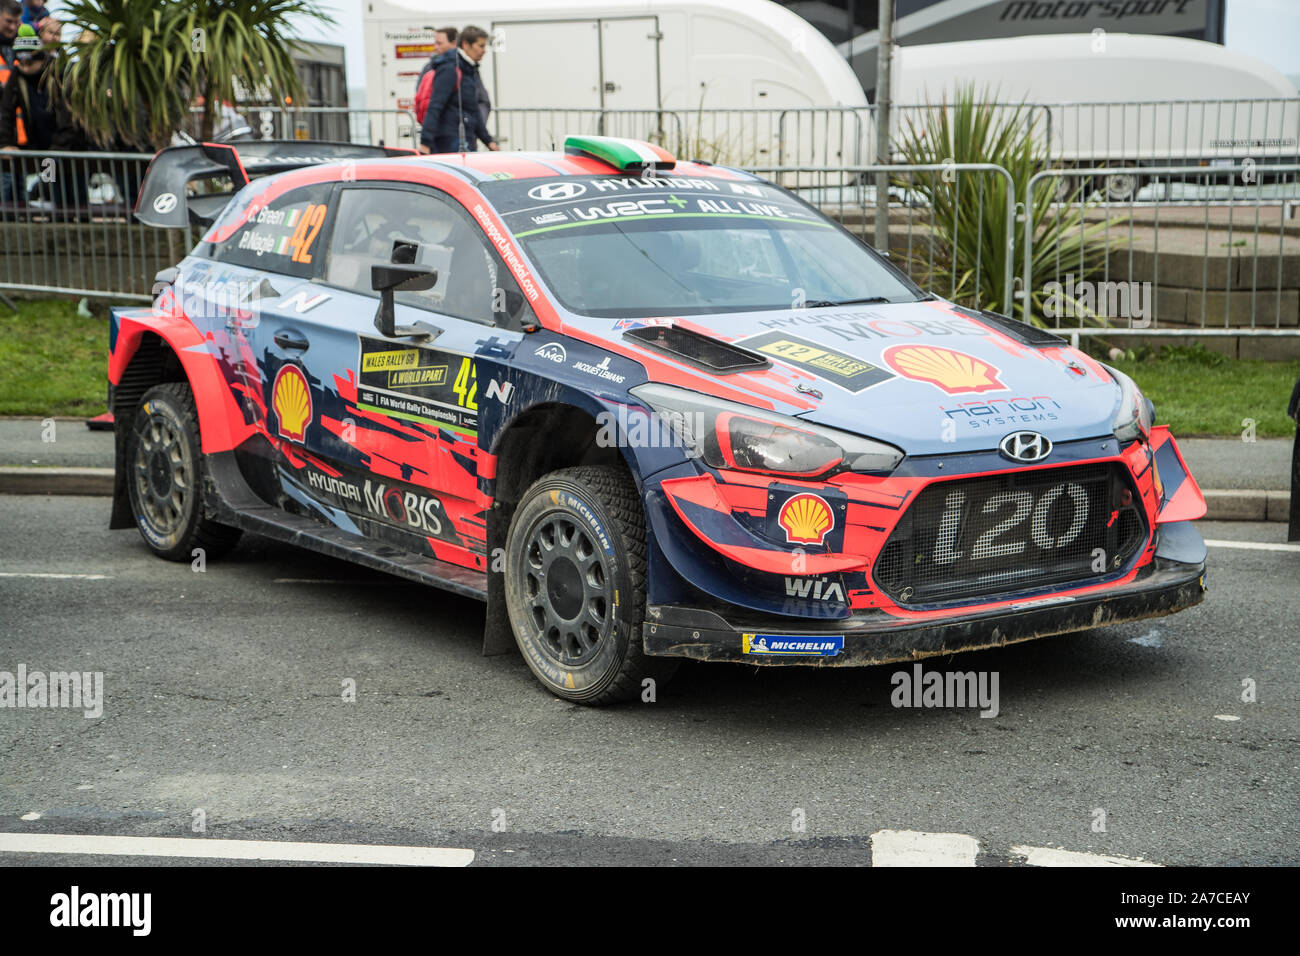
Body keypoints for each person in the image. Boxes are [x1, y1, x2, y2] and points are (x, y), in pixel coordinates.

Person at [0, 24, 89, 207]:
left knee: (75, 195)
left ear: (41, 59)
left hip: (69, 146)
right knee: (54, 194)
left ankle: (77, 222)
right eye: (20, 62)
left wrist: (56, 150)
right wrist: (6, 142)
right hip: (44, 145)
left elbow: (69, 117)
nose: (24, 66)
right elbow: (6, 111)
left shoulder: (59, 74)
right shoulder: (18, 76)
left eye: (29, 62)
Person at [417, 25, 498, 155]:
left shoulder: (469, 69)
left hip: (465, 137)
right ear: (466, 45)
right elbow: (435, 105)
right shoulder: (450, 68)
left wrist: (488, 141)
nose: (484, 50)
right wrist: (425, 142)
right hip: (449, 140)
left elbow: (473, 109)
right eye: (481, 46)